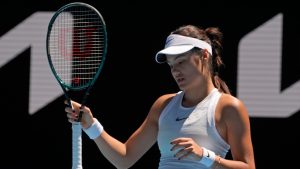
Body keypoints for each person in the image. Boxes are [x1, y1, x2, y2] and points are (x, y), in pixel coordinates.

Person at [65, 25, 256, 169]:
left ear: (205, 55)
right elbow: (124, 158)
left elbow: (248, 167)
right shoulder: (163, 105)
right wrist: (91, 125)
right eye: (172, 66)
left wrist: (205, 156)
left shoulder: (229, 107)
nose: (176, 71)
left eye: (181, 61)